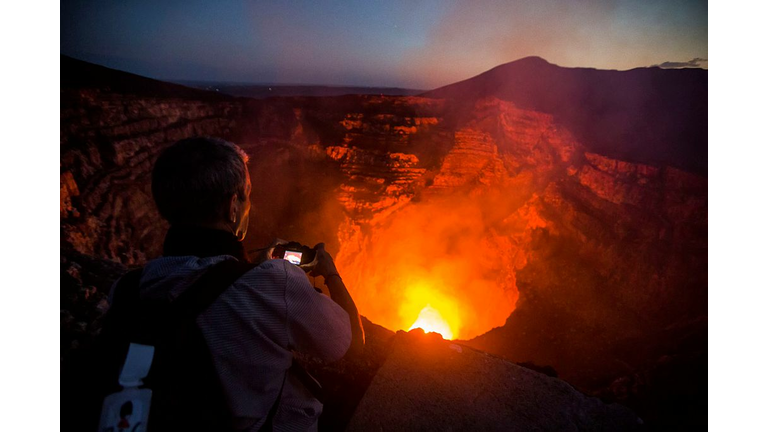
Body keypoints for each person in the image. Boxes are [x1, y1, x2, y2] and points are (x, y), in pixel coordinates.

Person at [130, 136, 365, 431]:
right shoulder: (274, 282)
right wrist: (330, 272)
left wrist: (246, 269)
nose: (250, 206)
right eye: (248, 195)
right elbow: (353, 345)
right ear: (233, 206)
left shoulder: (130, 287)